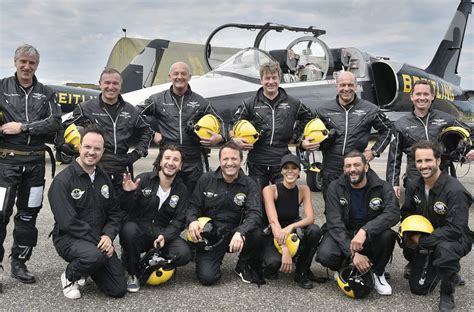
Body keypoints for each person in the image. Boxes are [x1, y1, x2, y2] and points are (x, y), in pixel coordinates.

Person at [0, 44, 62, 286]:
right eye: (23, 61)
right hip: (6, 163)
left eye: (32, 63)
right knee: (0, 215)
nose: (27, 66)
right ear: (15, 62)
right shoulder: (1, 87)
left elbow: (55, 122)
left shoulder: (45, 93)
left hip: (35, 163)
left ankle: (20, 263)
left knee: (28, 216)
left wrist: (23, 127)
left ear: (37, 65)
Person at [49, 126, 126, 299]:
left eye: (97, 148)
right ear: (80, 147)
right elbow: (68, 222)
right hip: (70, 239)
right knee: (94, 256)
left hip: (98, 240)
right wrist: (101, 243)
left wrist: (108, 236)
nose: (92, 152)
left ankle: (87, 268)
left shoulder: (103, 176)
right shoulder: (63, 181)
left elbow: (115, 212)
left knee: (118, 289)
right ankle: (70, 275)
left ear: (103, 151)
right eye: (88, 147)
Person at [63, 68, 153, 203]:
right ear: (100, 84)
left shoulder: (131, 110)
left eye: (115, 83)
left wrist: (137, 153)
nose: (111, 87)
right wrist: (68, 147)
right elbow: (65, 127)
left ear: (120, 85)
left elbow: (147, 130)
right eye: (107, 83)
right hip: (94, 166)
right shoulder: (85, 108)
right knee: (92, 206)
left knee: (119, 209)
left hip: (121, 167)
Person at [400, 140, 471, 311]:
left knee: (444, 251)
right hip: (426, 236)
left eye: (428, 160)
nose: (423, 165)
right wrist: (414, 235)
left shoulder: (455, 190)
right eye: (419, 161)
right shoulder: (413, 184)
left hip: (454, 238)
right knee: (418, 289)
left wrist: (425, 241)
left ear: (438, 161)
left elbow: (456, 229)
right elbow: (407, 212)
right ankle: (442, 268)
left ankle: (447, 290)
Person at [316, 151, 399, 296]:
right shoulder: (335, 187)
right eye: (348, 166)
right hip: (345, 232)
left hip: (368, 235)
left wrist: (365, 230)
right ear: (344, 169)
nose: (352, 169)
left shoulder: (383, 186)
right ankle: (347, 267)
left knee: (388, 235)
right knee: (325, 254)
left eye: (356, 165)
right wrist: (352, 254)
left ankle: (378, 273)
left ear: (366, 167)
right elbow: (334, 223)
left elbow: (393, 213)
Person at [302, 71, 391, 199]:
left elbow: (388, 129)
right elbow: (309, 132)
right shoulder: (323, 110)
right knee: (332, 211)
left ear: (356, 86)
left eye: (350, 85)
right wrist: (304, 143)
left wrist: (374, 151)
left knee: (358, 210)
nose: (346, 89)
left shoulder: (370, 109)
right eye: (342, 85)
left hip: (356, 169)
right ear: (336, 86)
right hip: (330, 170)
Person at [138, 62, 223, 192]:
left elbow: (220, 121)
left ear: (189, 77)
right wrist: (152, 133)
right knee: (163, 198)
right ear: (169, 76)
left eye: (183, 74)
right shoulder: (157, 99)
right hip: (168, 161)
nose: (179, 77)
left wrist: (219, 137)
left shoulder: (201, 102)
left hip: (193, 162)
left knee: (194, 200)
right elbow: (135, 114)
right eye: (176, 73)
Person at [187, 141, 262, 285]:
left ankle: (243, 264)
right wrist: (192, 220)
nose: (230, 163)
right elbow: (193, 206)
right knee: (208, 278)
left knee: (257, 232)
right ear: (220, 160)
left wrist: (241, 232)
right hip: (212, 234)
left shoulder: (250, 184)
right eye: (225, 159)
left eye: (234, 159)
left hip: (236, 233)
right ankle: (202, 253)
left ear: (241, 160)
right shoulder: (206, 179)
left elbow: (255, 213)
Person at [120, 145, 191, 293]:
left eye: (176, 160)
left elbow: (179, 220)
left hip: (161, 234)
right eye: (167, 158)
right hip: (139, 232)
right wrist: (127, 194)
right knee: (128, 229)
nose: (171, 163)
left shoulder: (182, 189)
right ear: (160, 161)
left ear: (180, 166)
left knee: (184, 254)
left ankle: (151, 259)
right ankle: (133, 273)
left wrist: (165, 236)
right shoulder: (143, 179)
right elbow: (125, 209)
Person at [230, 61, 313, 189]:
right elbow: (233, 124)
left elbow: (309, 118)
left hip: (281, 161)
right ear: (261, 80)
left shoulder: (293, 103)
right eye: (267, 78)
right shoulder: (249, 104)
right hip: (257, 161)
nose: (271, 82)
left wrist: (296, 136)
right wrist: (235, 139)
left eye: (274, 78)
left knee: (281, 201)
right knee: (258, 201)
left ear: (279, 79)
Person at [386, 79, 471, 199]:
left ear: (432, 96)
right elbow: (394, 158)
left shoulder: (447, 119)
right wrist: (393, 184)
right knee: (416, 213)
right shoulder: (400, 124)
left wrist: (470, 150)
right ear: (411, 96)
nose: (422, 98)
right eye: (418, 94)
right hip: (415, 175)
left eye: (426, 94)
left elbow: (469, 133)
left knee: (445, 210)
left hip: (442, 173)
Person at [261, 154, 322, 289]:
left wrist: (291, 227)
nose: (290, 171)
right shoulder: (270, 190)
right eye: (286, 168)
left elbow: (310, 218)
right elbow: (273, 220)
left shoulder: (303, 189)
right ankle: (265, 262)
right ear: (281, 171)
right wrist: (285, 249)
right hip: (274, 231)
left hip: (291, 230)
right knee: (273, 264)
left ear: (299, 171)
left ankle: (302, 271)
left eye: (294, 168)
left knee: (315, 230)